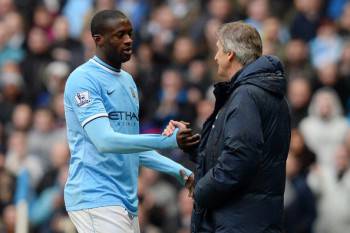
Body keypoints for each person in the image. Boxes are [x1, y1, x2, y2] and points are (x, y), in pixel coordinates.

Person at [63, 10, 199, 233]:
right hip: (95, 195)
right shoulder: (83, 80)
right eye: (119, 35)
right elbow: (105, 141)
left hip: (124, 198)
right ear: (98, 40)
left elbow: (132, 147)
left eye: (130, 34)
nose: (128, 41)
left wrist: (179, 170)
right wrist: (169, 141)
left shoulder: (128, 82)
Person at [168, 22, 291, 233]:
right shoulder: (264, 93)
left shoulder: (245, 96)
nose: (215, 57)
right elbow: (236, 152)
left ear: (230, 54)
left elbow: (239, 158)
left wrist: (200, 190)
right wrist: (192, 145)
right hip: (253, 219)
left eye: (218, 49)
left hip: (240, 222)